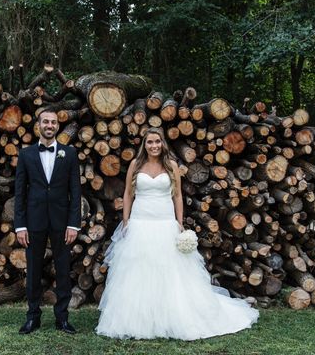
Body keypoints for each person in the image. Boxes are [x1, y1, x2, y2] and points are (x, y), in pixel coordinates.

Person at [95, 127, 259, 340]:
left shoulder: (171, 166)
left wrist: (179, 223)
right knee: (139, 269)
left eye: (157, 141)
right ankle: (140, 318)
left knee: (169, 269)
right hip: (140, 221)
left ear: (163, 143)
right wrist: (126, 221)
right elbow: (127, 194)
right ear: (144, 145)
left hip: (165, 222)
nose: (154, 146)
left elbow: (178, 196)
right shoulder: (135, 165)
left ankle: (172, 315)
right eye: (150, 142)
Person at [14, 108, 81, 335]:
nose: (49, 125)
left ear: (58, 127)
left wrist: (74, 224)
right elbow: (20, 192)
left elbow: (75, 191)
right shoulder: (26, 155)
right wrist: (20, 225)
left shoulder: (69, 154)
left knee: (63, 269)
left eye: (53, 122)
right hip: (34, 221)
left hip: (62, 222)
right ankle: (33, 317)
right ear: (38, 125)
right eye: (46, 122)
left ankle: (62, 318)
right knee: (33, 270)